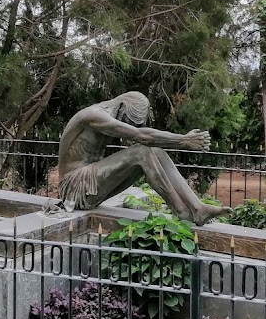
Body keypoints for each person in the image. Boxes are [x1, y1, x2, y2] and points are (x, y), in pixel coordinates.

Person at [57, 91, 230, 225]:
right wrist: (183, 141)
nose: (128, 127)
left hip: (90, 184)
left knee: (156, 150)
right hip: (74, 188)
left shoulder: (109, 113)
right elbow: (140, 135)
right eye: (127, 120)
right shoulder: (93, 115)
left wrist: (182, 138)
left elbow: (145, 135)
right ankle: (181, 212)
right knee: (142, 152)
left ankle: (197, 208)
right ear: (122, 107)